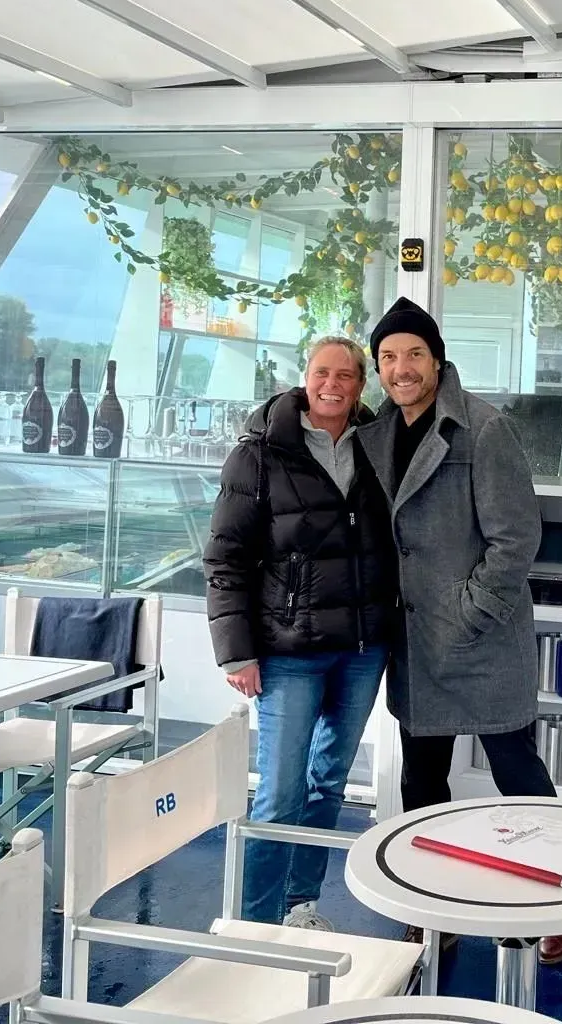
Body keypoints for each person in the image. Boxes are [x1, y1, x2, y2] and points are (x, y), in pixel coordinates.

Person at [361, 297, 562, 965]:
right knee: (422, 783)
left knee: (519, 774)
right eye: (388, 357)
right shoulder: (377, 433)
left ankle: (561, 905)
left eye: (414, 354)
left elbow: (516, 540)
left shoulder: (484, 429)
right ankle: (434, 909)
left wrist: (471, 610)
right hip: (415, 640)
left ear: (437, 359)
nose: (401, 368)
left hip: (480, 640)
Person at [203, 335, 397, 929]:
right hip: (288, 650)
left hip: (361, 648)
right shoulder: (259, 453)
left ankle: (299, 905)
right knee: (281, 792)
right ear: (305, 377)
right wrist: (235, 653)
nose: (332, 384)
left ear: (361, 385)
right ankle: (253, 924)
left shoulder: (377, 446)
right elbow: (225, 558)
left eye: (345, 375)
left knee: (329, 782)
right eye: (322, 373)